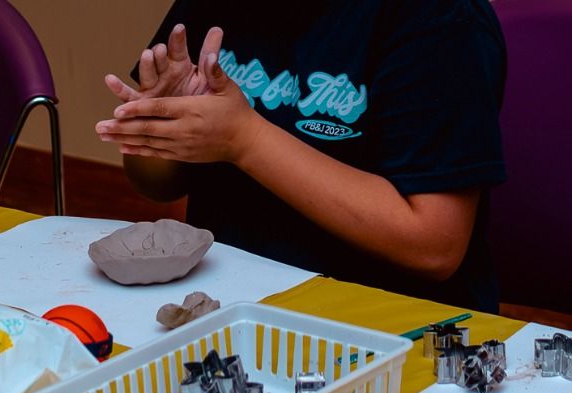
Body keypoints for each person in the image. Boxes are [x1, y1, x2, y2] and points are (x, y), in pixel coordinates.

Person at [95, 0, 506, 313]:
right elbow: (156, 183)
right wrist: (160, 127)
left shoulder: (441, 21)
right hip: (231, 306)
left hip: (389, 326)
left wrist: (245, 139)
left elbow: (434, 245)